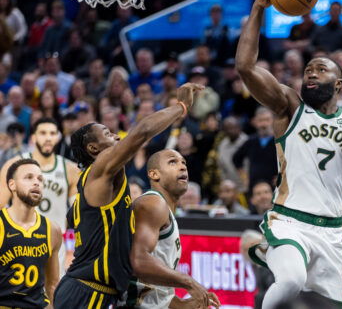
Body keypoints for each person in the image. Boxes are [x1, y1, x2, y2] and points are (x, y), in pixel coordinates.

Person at [236, 0, 342, 307]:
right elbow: (245, 67)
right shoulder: (290, 107)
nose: (311, 73)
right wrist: (258, 11)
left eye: (321, 69)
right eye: (308, 70)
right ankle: (269, 248)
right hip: (289, 221)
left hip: (332, 232)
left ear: (339, 83)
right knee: (290, 281)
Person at [53, 83, 201, 308]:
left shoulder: (101, 182)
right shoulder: (100, 168)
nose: (116, 135)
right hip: (86, 290)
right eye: (108, 134)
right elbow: (141, 133)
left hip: (90, 290)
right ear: (94, 149)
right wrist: (180, 107)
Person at [122, 149, 220, 308]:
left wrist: (185, 305)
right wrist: (188, 282)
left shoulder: (164, 210)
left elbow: (153, 291)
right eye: (172, 162)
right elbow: (138, 260)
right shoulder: (152, 203)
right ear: (154, 174)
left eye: (184, 163)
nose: (182, 167)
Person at [0, 118, 81, 275]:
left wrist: (74, 250)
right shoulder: (14, 165)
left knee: (53, 294)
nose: (48, 138)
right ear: (33, 137)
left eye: (52, 133)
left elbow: (78, 217)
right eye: (43, 133)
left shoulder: (69, 169)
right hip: (18, 244)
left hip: (55, 245)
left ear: (58, 137)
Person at [0, 158, 62, 307]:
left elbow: (52, 284)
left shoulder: (52, 229)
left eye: (40, 179)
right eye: (29, 177)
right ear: (12, 185)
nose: (36, 183)